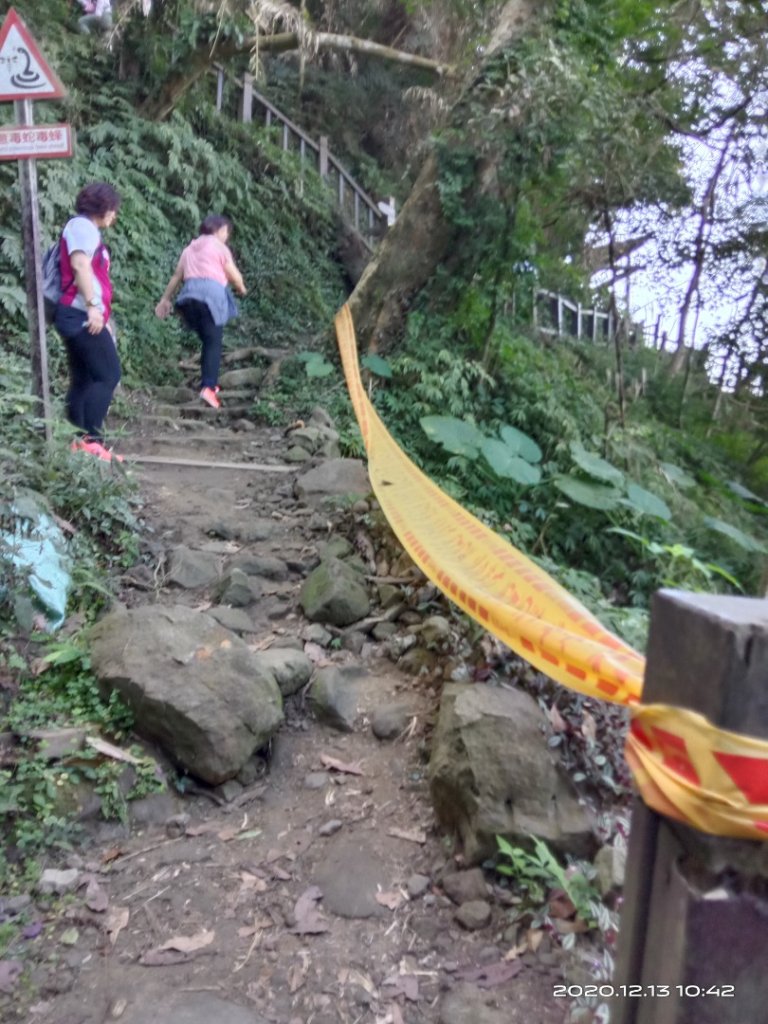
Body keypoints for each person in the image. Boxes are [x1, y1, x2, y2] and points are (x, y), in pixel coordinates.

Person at [54, 182, 123, 463]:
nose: (114, 216)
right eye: (113, 210)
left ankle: (78, 441)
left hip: (80, 314)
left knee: (84, 378)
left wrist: (101, 315)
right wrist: (94, 308)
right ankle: (92, 442)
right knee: (108, 374)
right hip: (80, 313)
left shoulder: (84, 229)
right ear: (103, 207)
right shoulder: (82, 227)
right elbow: (80, 265)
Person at [155, 215, 247, 409]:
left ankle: (209, 381)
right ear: (221, 230)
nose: (226, 237)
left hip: (188, 298)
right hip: (211, 297)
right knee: (214, 342)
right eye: (226, 233)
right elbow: (233, 275)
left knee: (208, 339)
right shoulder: (219, 247)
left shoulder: (189, 248)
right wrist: (241, 288)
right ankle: (209, 388)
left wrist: (164, 299)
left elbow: (177, 276)